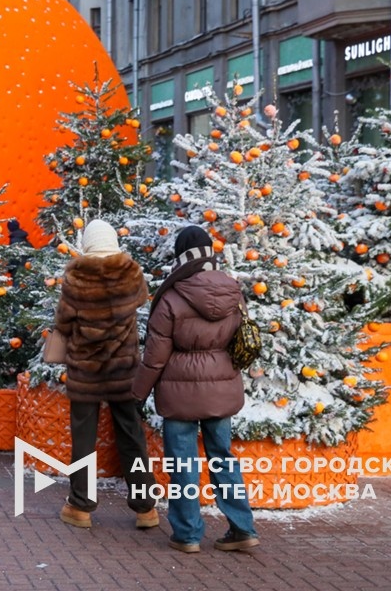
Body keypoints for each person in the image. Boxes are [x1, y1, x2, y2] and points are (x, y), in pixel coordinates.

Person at [132, 225, 259, 554]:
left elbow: (155, 357)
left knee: (183, 464)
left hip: (179, 392)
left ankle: (188, 534)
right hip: (221, 387)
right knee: (223, 459)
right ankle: (243, 528)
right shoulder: (233, 290)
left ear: (180, 255)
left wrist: (137, 394)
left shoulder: (172, 296)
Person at [54, 220, 159, 531]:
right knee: (131, 435)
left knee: (83, 438)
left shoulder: (75, 277)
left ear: (87, 243)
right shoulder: (131, 273)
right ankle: (146, 509)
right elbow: (141, 301)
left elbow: (63, 321)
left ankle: (81, 506)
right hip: (123, 368)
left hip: (85, 369)